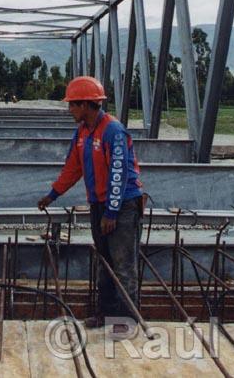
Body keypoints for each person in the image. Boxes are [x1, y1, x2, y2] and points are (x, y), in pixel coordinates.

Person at [37, 76, 143, 333]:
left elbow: (119, 173)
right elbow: (73, 168)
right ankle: (105, 314)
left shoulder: (113, 131)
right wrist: (53, 195)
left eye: (72, 104)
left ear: (86, 104)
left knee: (123, 264)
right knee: (104, 262)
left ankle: (127, 321)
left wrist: (112, 211)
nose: (69, 109)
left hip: (122, 205)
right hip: (99, 205)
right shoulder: (83, 132)